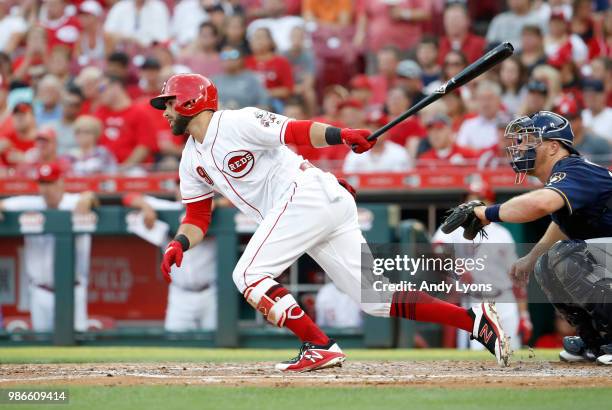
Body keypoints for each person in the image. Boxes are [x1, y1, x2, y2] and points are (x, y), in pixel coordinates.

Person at [150, 73, 510, 372]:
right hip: (312, 203)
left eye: (168, 102)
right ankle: (475, 320)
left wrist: (342, 134)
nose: (165, 111)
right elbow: (197, 216)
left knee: (247, 275)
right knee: (376, 298)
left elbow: (295, 130)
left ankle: (318, 345)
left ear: (190, 101)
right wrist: (179, 243)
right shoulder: (189, 160)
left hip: (306, 196)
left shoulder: (236, 121)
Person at [466, 111, 612, 365]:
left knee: (564, 255)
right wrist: (531, 258)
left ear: (554, 147)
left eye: (530, 140)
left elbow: (541, 204)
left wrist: (486, 213)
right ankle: (594, 342)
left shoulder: (575, 169)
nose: (520, 147)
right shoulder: (565, 177)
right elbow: (561, 226)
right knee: (546, 263)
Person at [0, 162, 98, 332]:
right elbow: (4, 204)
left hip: (73, 290)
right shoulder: (30, 203)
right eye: (42, 183)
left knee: (77, 349)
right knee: (42, 347)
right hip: (40, 291)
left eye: (50, 183)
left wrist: (88, 198)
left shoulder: (75, 201)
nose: (46, 189)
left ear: (61, 182)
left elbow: (94, 199)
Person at [432, 182, 524, 351]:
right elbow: (437, 247)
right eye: (469, 200)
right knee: (477, 353)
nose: (472, 205)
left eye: (479, 200)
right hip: (474, 299)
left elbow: (516, 275)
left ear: (489, 203)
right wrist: (457, 266)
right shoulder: (456, 229)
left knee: (512, 352)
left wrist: (525, 314)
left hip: (504, 297)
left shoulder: (502, 233)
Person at [122, 190, 217, 332]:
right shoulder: (168, 208)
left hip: (210, 292)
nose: (185, 190)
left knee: (217, 343)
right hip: (180, 294)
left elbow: (238, 200)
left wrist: (218, 203)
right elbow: (128, 197)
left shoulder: (215, 207)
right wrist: (145, 207)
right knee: (175, 341)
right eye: (180, 186)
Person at [555, 96, 611, 165]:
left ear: (580, 120)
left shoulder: (597, 143)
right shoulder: (555, 145)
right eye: (562, 119)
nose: (567, 123)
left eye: (570, 118)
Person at [456, 81, 504, 151]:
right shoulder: (468, 124)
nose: (485, 103)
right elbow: (460, 148)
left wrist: (474, 149)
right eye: (482, 99)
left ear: (499, 100)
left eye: (490, 98)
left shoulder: (510, 123)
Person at [581, 79, 612, 143]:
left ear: (603, 95)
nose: (590, 99)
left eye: (593, 95)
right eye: (587, 95)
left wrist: (593, 136)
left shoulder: (610, 115)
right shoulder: (581, 115)